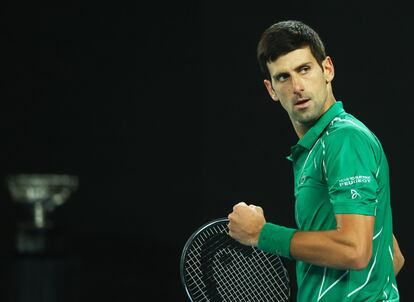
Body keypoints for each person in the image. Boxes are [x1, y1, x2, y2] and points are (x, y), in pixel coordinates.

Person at [227, 20, 405, 301]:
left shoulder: (344, 139)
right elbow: (391, 256)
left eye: (304, 69)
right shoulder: (316, 149)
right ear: (271, 89)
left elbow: (355, 250)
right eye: (283, 77)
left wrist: (262, 234)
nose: (297, 86)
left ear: (327, 70)